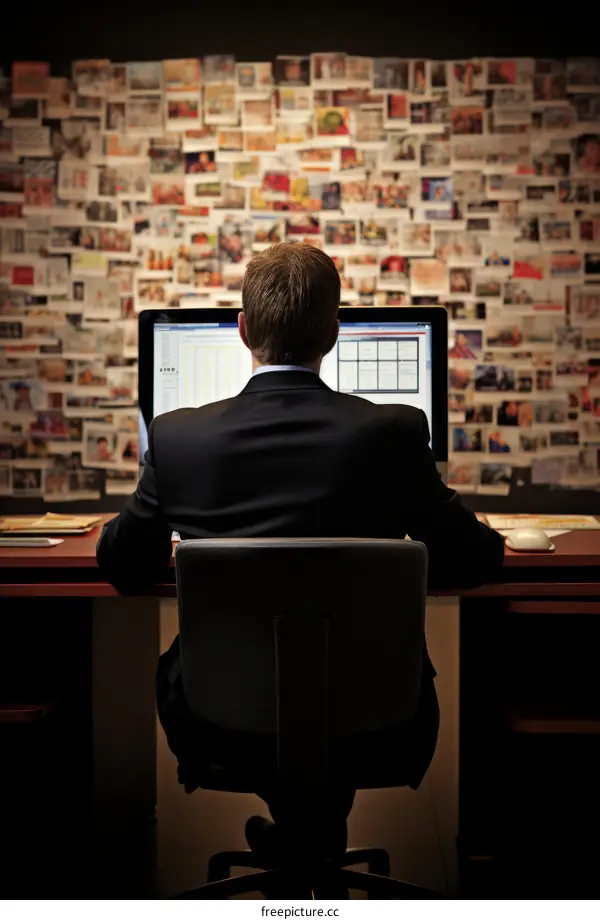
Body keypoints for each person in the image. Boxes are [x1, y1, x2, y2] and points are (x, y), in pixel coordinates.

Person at [97, 243, 504, 861]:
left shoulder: (177, 438)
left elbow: (124, 565)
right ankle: (310, 836)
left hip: (218, 717)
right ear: (333, 334)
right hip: (379, 711)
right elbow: (476, 558)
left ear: (242, 331)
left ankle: (296, 839)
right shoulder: (395, 432)